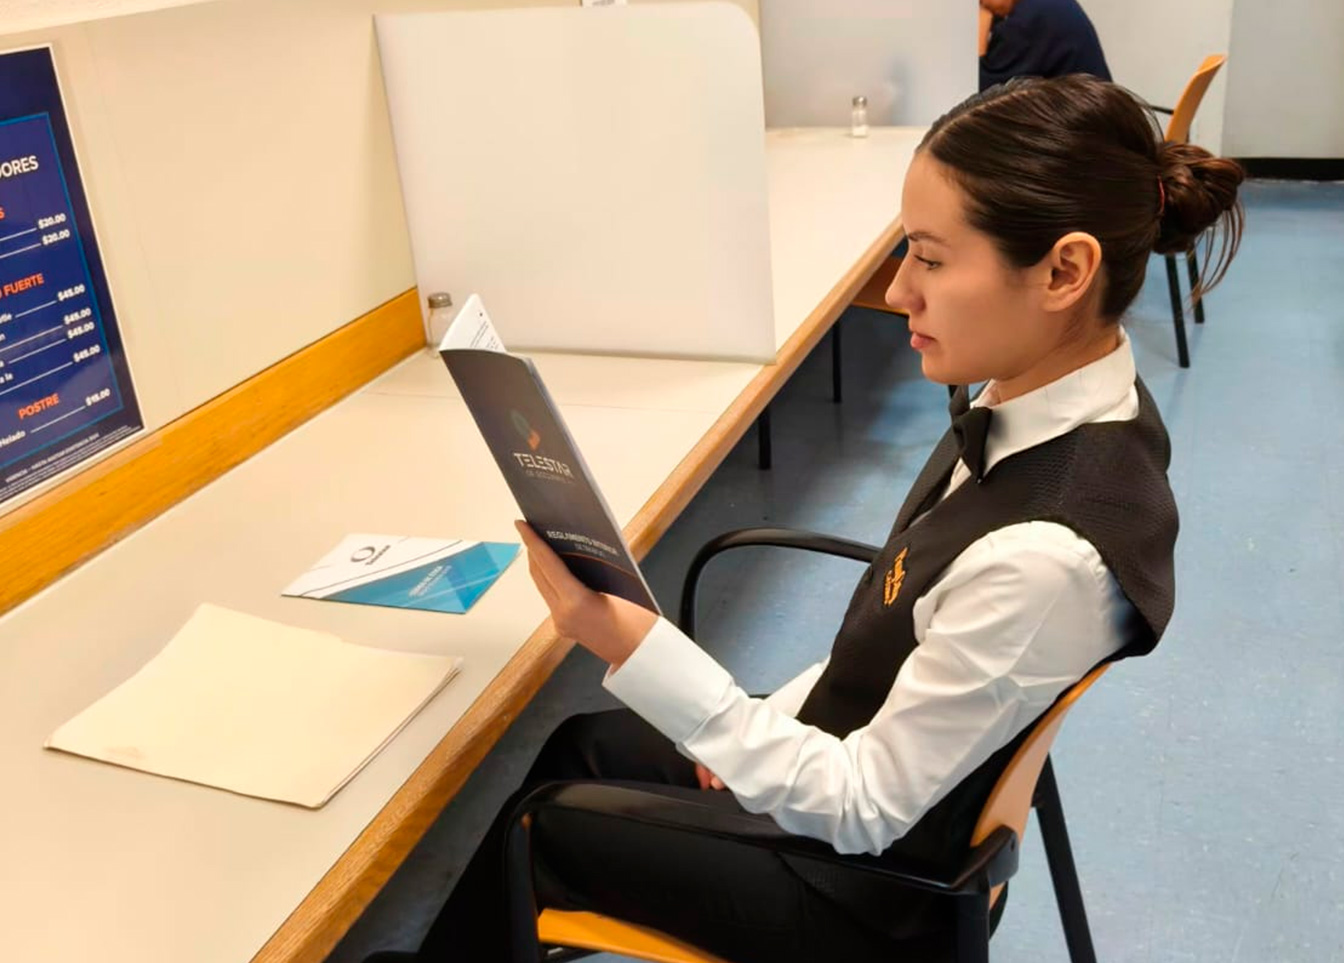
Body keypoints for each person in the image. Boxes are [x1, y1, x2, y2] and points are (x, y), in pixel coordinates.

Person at [366, 75, 1244, 963]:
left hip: (866, 899)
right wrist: (758, 724)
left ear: (1063, 272)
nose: (898, 289)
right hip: (881, 772)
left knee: (541, 823)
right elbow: (903, 640)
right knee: (584, 743)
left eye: (931, 259)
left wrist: (638, 649)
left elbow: (862, 807)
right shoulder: (1061, 400)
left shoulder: (1047, 555)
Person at [979, 0, 1112, 92]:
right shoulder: (1048, 6)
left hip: (1082, 120)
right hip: (1100, 113)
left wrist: (980, 21)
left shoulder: (1029, 19)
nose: (981, 4)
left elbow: (981, 94)